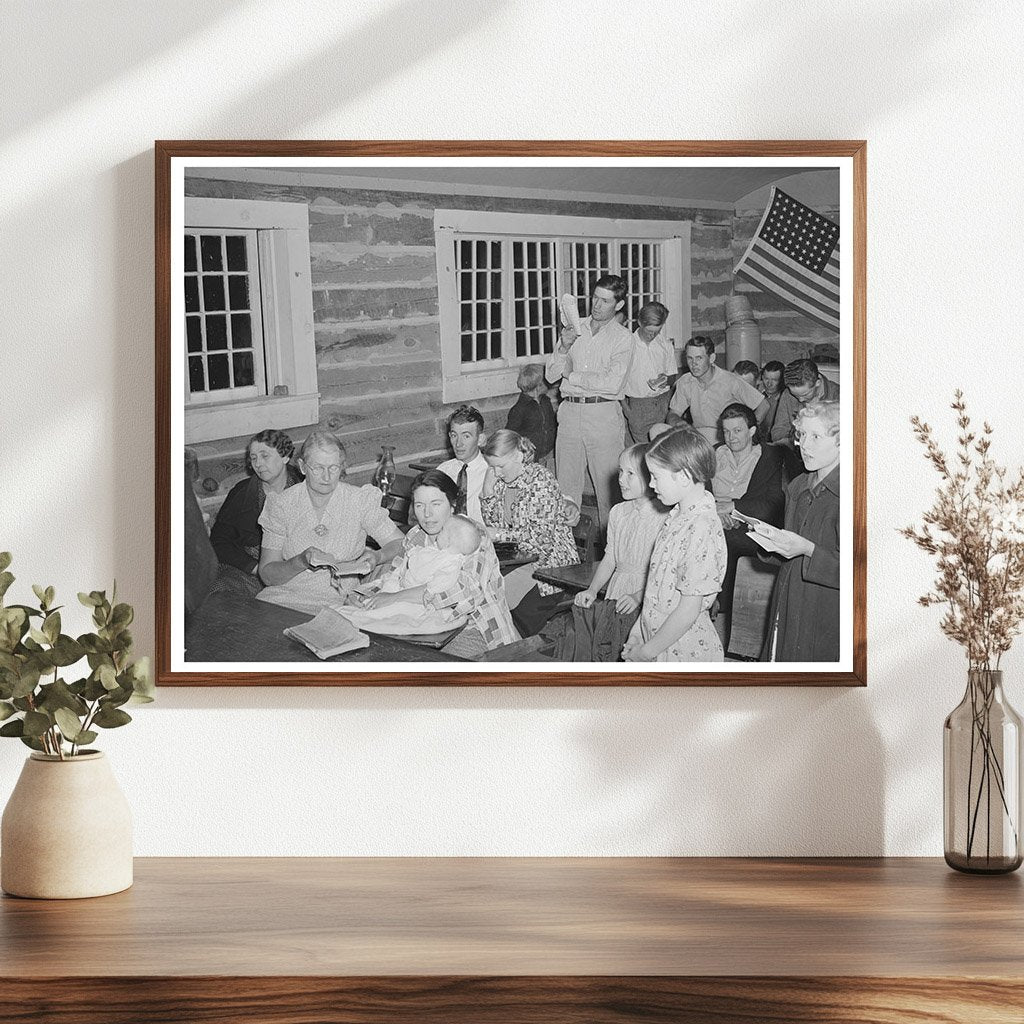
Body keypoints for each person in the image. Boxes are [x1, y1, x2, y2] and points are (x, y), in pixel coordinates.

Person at [352, 471, 518, 658]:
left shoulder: (472, 533)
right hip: (423, 623)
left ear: (453, 505)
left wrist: (396, 598)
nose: (427, 514)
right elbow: (396, 575)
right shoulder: (416, 536)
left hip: (474, 628)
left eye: (436, 504)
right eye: (420, 505)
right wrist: (363, 596)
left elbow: (465, 594)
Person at [256, 430, 405, 614]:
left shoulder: (358, 500)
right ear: (302, 467)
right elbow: (268, 575)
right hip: (283, 597)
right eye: (318, 468)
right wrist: (300, 561)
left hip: (340, 600)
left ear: (342, 466)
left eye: (333, 468)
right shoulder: (281, 505)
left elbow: (400, 544)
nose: (326, 477)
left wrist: (378, 557)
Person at [622, 427, 727, 663]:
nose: (650, 484)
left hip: (684, 652)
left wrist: (648, 651)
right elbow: (656, 588)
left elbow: (688, 610)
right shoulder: (677, 516)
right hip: (657, 642)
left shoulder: (701, 527)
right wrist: (638, 633)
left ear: (682, 476)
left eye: (656, 476)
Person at [747, 400, 841, 662]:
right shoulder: (799, 485)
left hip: (826, 603)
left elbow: (860, 572)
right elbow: (792, 547)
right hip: (790, 592)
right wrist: (772, 542)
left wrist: (809, 550)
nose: (805, 446)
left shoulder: (850, 494)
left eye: (816, 436)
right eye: (801, 435)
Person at [545, 275, 633, 527]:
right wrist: (563, 348)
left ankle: (612, 556)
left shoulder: (623, 338)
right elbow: (551, 375)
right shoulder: (574, 328)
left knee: (611, 494)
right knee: (565, 489)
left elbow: (611, 383)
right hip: (570, 411)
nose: (596, 305)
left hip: (602, 413)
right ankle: (564, 556)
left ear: (618, 305)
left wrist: (572, 375)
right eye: (595, 297)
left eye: (605, 301)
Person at [479, 429, 580, 637]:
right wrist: (487, 493)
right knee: (487, 594)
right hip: (521, 561)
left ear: (518, 456)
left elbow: (539, 542)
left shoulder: (540, 480)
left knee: (511, 607)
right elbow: (495, 524)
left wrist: (499, 535)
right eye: (492, 467)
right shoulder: (501, 482)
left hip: (552, 565)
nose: (496, 473)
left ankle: (520, 650)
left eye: (500, 466)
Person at [710, 403, 785, 640]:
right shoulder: (714, 453)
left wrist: (732, 508)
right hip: (712, 516)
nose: (731, 438)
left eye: (738, 431)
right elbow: (697, 487)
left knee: (727, 540)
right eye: (726, 431)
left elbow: (772, 504)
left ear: (752, 431)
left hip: (751, 524)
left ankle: (717, 604)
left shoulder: (769, 456)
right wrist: (716, 511)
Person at [575, 442, 667, 616]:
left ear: (651, 477)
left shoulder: (664, 516)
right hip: (618, 587)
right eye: (621, 471)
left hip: (649, 592)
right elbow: (610, 558)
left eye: (630, 473)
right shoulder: (618, 512)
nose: (621, 479)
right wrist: (593, 590)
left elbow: (665, 572)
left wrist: (638, 596)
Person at [209, 429, 303, 585]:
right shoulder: (242, 493)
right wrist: (256, 569)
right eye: (254, 458)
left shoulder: (304, 487)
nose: (258, 464)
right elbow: (219, 542)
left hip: (296, 568)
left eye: (265, 456)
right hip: (249, 571)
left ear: (285, 456)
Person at [666, 336, 768, 444]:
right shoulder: (685, 381)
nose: (693, 363)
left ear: (711, 358)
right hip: (697, 434)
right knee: (657, 430)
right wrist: (679, 423)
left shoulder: (730, 380)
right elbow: (673, 414)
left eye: (699, 358)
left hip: (723, 436)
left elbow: (764, 406)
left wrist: (746, 432)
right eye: (690, 358)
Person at [621, 301, 679, 446]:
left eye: (657, 332)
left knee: (662, 450)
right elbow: (616, 382)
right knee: (643, 452)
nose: (652, 336)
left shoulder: (665, 344)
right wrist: (629, 412)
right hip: (637, 406)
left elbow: (673, 377)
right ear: (640, 322)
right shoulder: (626, 346)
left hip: (662, 403)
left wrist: (666, 380)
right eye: (649, 332)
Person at [773, 358, 841, 475]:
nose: (800, 399)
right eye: (795, 395)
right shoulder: (787, 394)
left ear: (818, 383)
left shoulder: (839, 396)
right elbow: (778, 430)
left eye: (805, 394)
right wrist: (795, 441)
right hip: (796, 459)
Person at [437, 405, 488, 523]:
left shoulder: (491, 471)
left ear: (480, 439)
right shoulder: (443, 471)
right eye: (454, 436)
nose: (458, 444)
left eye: (466, 436)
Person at [505, 363, 556, 467]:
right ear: (539, 385)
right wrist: (523, 441)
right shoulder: (519, 409)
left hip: (549, 453)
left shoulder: (546, 402)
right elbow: (509, 436)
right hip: (530, 459)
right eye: (547, 381)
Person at [758, 360, 787, 444]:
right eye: (766, 379)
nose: (769, 384)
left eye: (774, 380)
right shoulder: (755, 392)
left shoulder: (787, 399)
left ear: (782, 380)